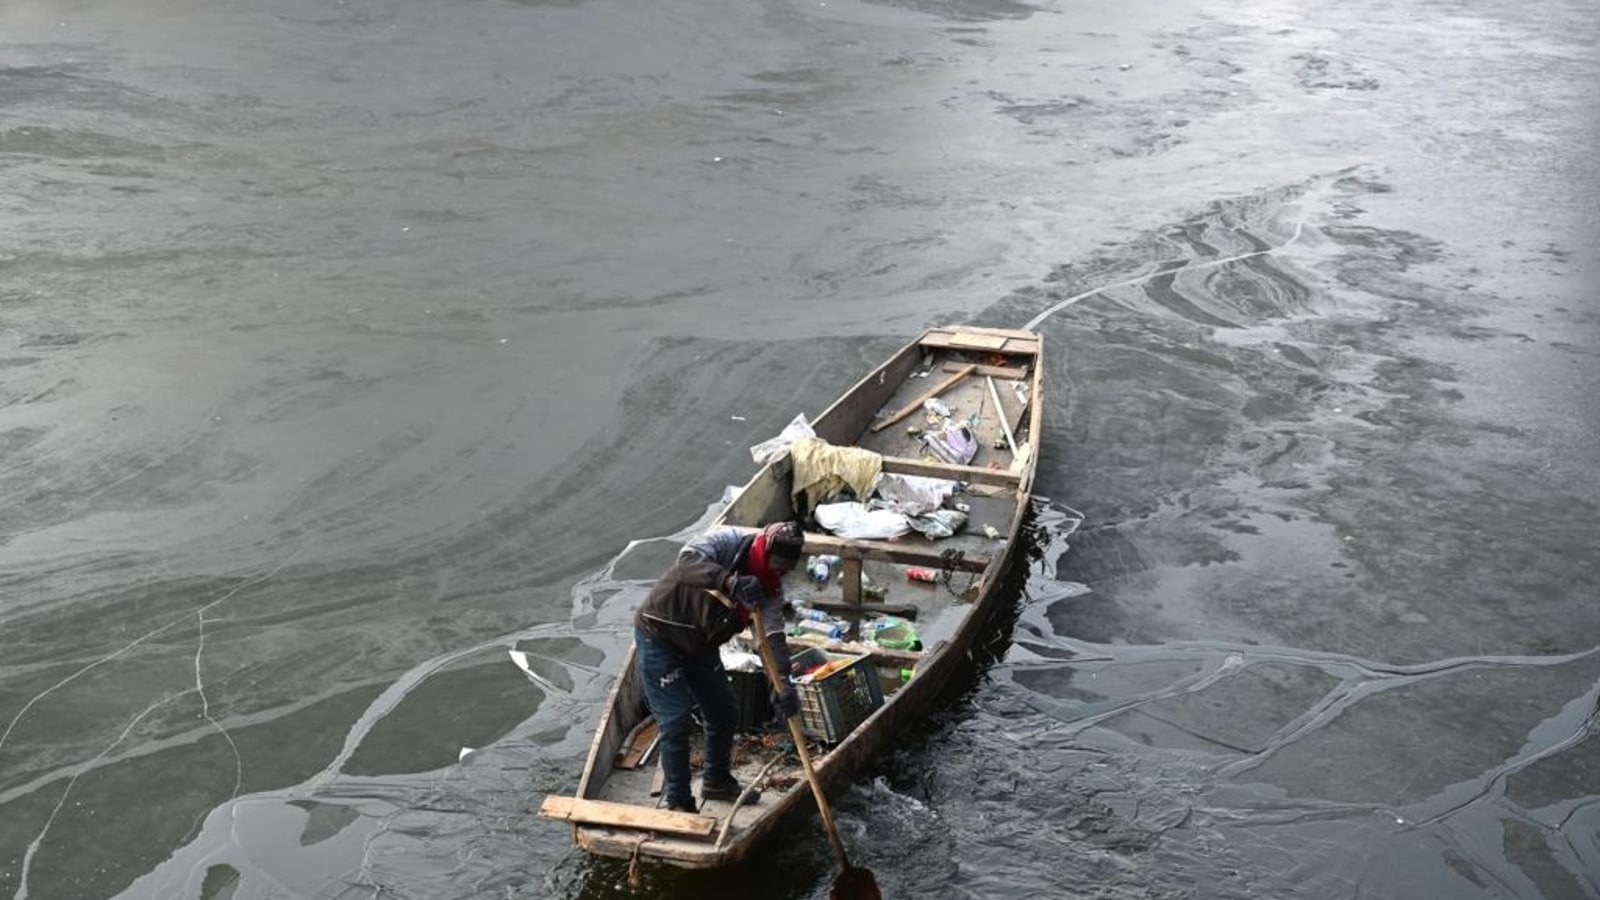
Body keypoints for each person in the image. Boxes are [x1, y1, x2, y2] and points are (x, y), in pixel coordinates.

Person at [633, 521, 805, 813]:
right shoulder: (728, 542)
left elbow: (773, 636)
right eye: (774, 566)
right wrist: (730, 582)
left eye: (784, 571)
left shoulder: (770, 590)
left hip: (701, 645)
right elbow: (685, 564)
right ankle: (678, 800)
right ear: (762, 551)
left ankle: (716, 781)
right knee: (676, 720)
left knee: (724, 711)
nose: (777, 574)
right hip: (659, 634)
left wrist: (784, 682)